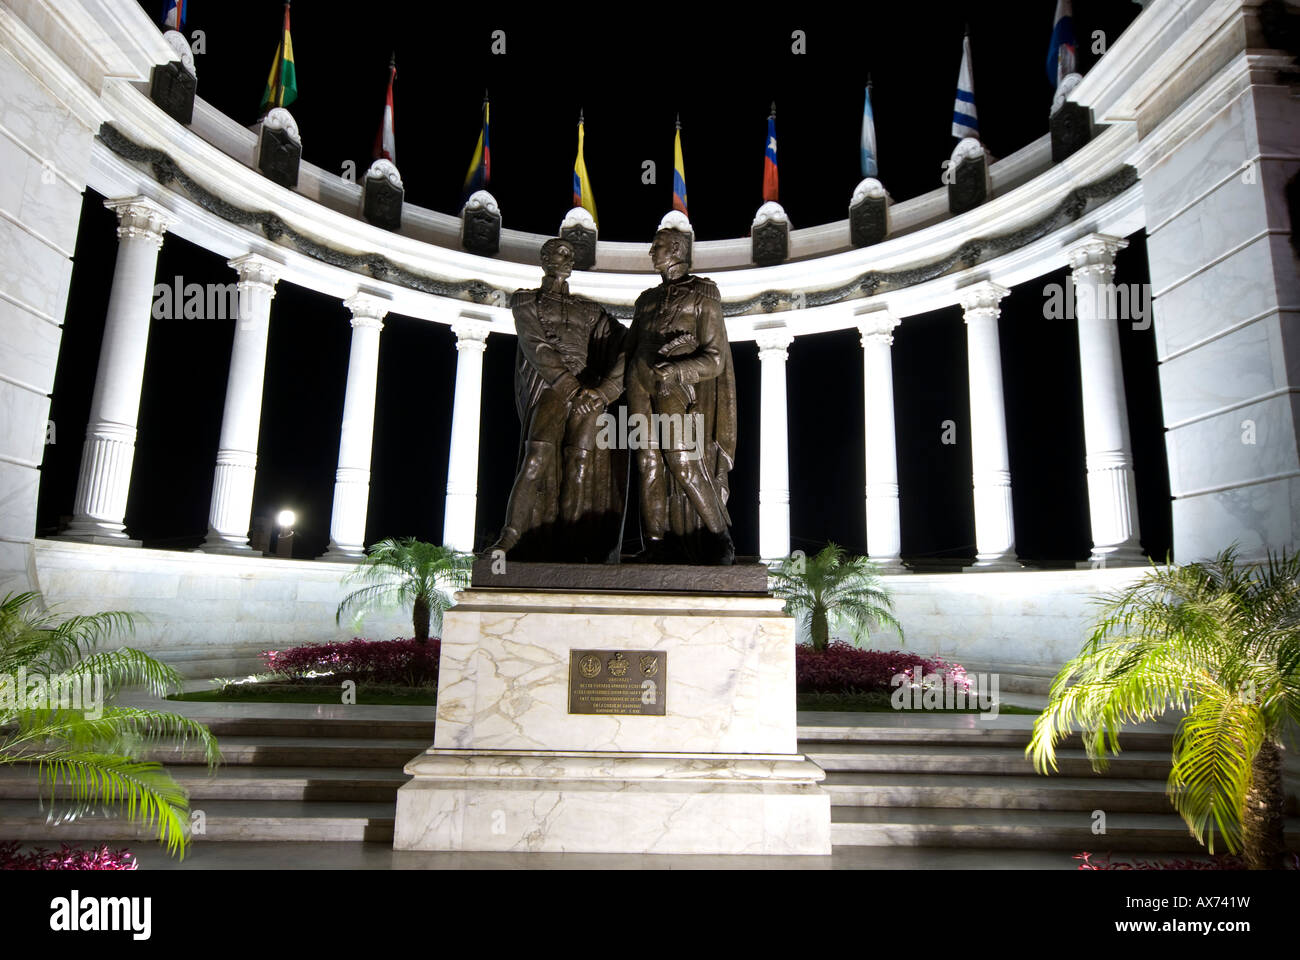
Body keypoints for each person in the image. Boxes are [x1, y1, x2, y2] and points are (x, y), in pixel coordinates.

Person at [490, 237, 626, 561]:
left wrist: (607, 389)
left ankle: (570, 540)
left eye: (570, 255)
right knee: (536, 456)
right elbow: (536, 345)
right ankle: (510, 537)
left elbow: (626, 342)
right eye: (559, 253)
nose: (566, 259)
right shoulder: (525, 301)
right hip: (552, 388)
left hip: (588, 394)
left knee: (579, 463)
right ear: (544, 258)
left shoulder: (590, 310)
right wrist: (572, 389)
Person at [624, 219, 736, 564]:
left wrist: (677, 369)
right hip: (639, 381)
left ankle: (720, 539)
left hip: (676, 385)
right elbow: (629, 347)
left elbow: (716, 358)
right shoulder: (645, 300)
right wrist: (602, 390)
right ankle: (655, 544)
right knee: (648, 464)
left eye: (657, 245)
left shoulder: (702, 294)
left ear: (676, 250)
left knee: (682, 462)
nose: (651, 251)